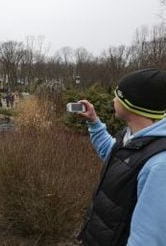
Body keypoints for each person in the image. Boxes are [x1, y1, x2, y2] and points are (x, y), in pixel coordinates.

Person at [77, 68, 166, 246]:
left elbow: (147, 240)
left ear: (131, 104)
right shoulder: (135, 136)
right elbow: (118, 158)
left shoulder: (160, 165)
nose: (113, 99)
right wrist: (94, 122)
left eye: (118, 95)